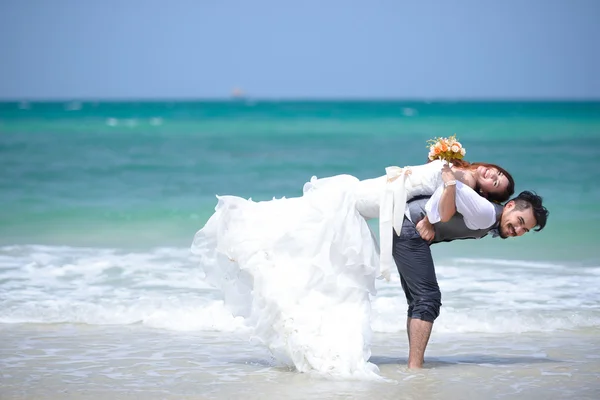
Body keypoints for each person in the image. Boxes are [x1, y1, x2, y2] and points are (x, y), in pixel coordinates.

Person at [191, 158, 516, 375]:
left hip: (383, 201)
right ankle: (414, 368)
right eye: (498, 173)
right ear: (488, 168)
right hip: (379, 198)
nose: (494, 178)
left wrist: (436, 211)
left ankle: (254, 249)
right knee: (324, 256)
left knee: (327, 265)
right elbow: (439, 202)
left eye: (497, 184)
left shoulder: (464, 188)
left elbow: (441, 201)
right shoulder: (458, 178)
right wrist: (431, 217)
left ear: (488, 194)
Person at [392, 170, 549, 369]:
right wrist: (429, 219)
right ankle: (415, 367)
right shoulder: (486, 213)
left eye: (524, 230)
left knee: (419, 301)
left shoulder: (489, 216)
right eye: (520, 222)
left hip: (404, 225)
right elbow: (452, 185)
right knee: (428, 299)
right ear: (509, 205)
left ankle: (414, 363)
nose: (517, 231)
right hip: (409, 226)